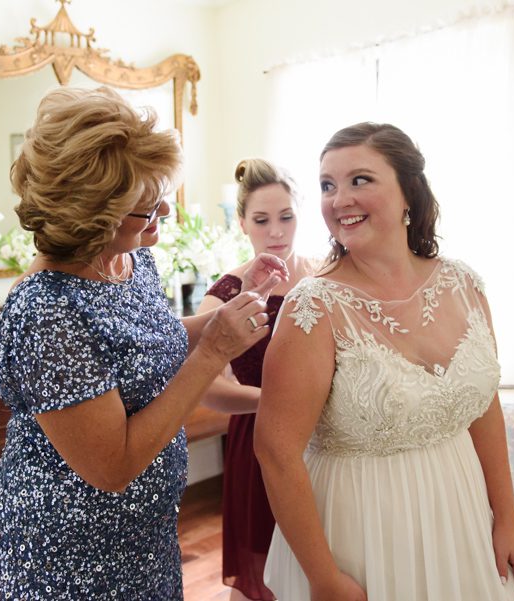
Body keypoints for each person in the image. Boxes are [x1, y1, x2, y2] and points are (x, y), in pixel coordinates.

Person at [0, 87, 287, 600]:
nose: (164, 210)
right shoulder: (44, 312)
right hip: (68, 552)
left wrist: (233, 304)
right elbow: (114, 465)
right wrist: (214, 351)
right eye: (145, 207)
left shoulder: (130, 258)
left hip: (145, 534)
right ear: (91, 216)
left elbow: (149, 342)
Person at [254, 122, 514, 601]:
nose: (339, 199)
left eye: (359, 180)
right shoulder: (314, 307)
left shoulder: (463, 284)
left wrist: (507, 520)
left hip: (462, 512)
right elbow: (276, 452)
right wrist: (324, 578)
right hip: (363, 532)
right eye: (327, 185)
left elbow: (483, 407)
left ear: (409, 192)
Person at [197, 159, 315, 601]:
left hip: (328, 438)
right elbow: (205, 386)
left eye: (286, 217)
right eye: (262, 220)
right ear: (243, 223)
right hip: (261, 438)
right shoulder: (225, 294)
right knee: (264, 572)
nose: (276, 232)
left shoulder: (327, 276)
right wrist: (273, 401)